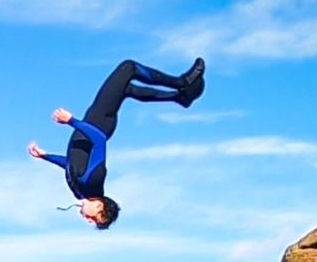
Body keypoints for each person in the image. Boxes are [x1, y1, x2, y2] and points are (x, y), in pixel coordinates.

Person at [28, 58, 205, 229]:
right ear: (100, 207)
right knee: (128, 68)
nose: (88, 220)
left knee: (125, 89)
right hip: (101, 121)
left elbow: (70, 163)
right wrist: (72, 121)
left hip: (94, 119)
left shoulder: (80, 191)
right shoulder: (94, 181)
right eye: (94, 219)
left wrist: (45, 156)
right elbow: (98, 140)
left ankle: (178, 98)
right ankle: (181, 82)